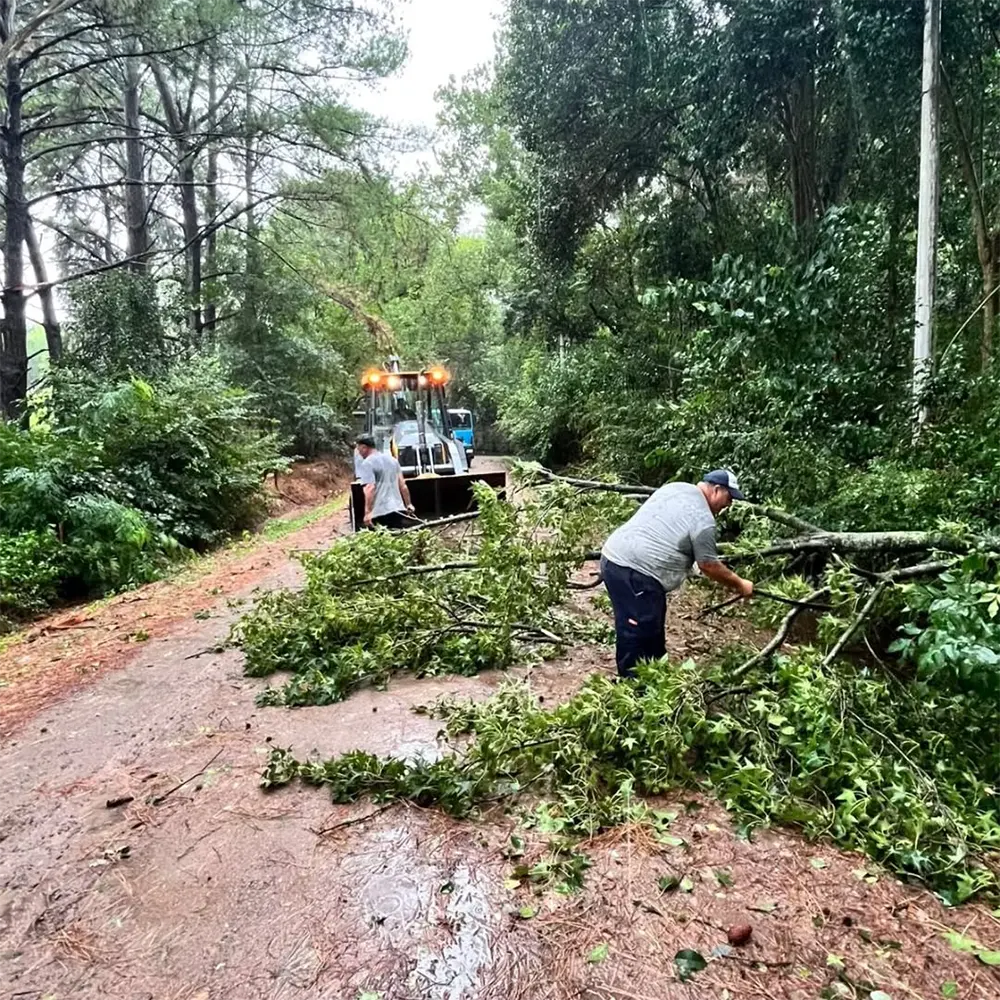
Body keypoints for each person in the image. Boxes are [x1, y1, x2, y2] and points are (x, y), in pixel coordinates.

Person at [600, 469, 754, 679]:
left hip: (615, 559)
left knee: (650, 628)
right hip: (634, 572)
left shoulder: (677, 488)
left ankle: (656, 677)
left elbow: (666, 528)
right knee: (637, 631)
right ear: (717, 490)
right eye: (729, 498)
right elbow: (709, 565)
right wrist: (740, 584)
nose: (729, 505)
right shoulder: (704, 520)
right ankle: (632, 689)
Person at [355, 435, 418, 530]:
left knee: (382, 540)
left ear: (364, 447)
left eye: (359, 449)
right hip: (397, 509)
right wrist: (408, 504)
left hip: (380, 511)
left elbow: (370, 488)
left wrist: (368, 513)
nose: (359, 453)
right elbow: (402, 485)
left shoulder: (367, 464)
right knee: (397, 538)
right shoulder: (393, 461)